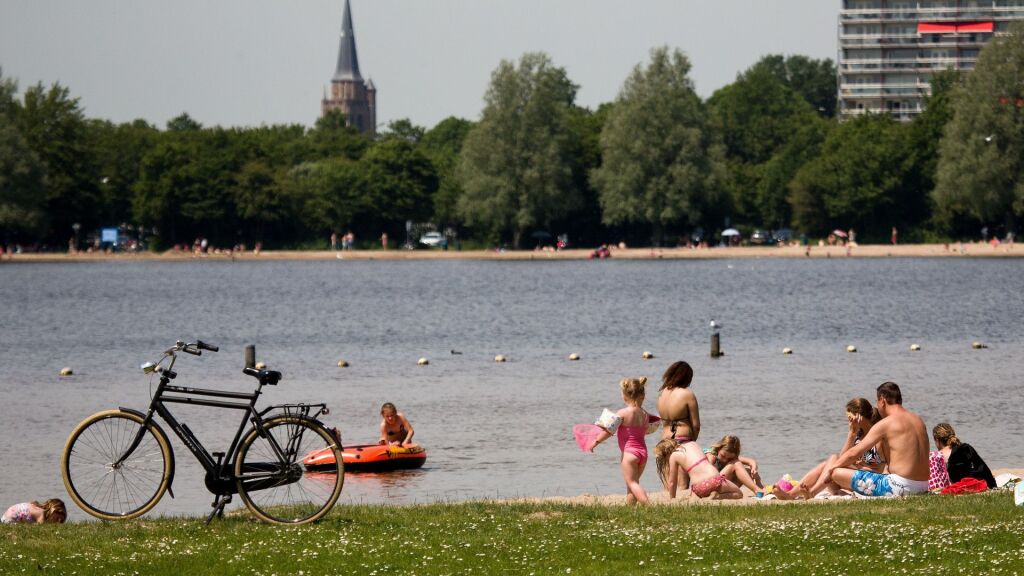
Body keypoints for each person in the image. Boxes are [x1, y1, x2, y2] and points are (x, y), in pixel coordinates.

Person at [825, 382, 929, 497]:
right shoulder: (918, 420)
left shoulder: (886, 423)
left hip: (899, 487)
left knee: (837, 473)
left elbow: (853, 453)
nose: (877, 406)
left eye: (877, 401)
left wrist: (831, 469)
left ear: (882, 400)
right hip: (923, 486)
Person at [775, 398, 884, 500]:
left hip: (867, 482)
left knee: (833, 459)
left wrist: (860, 465)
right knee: (831, 460)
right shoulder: (858, 434)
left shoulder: (877, 435)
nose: (849, 421)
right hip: (849, 477)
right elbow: (843, 458)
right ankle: (792, 494)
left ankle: (810, 493)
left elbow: (880, 468)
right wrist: (851, 434)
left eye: (850, 417)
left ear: (858, 416)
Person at [588, 377, 653, 505]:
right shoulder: (645, 414)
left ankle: (649, 506)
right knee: (632, 485)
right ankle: (630, 510)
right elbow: (648, 429)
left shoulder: (622, 413)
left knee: (632, 483)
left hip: (629, 453)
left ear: (624, 396)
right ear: (642, 395)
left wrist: (596, 441)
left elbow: (609, 431)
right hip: (643, 453)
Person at [655, 438, 743, 500]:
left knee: (701, 489)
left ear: (666, 454)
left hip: (698, 488)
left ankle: (706, 495)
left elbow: (672, 482)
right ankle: (718, 496)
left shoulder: (673, 456)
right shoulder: (693, 443)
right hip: (715, 481)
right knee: (739, 493)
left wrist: (672, 499)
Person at [933, 422, 996, 489]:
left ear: (937, 439)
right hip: (980, 483)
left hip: (958, 486)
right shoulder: (966, 448)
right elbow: (983, 468)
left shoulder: (938, 455)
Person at [2, 499, 66, 524]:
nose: (57, 523)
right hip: (10, 520)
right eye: (57, 519)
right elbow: (42, 530)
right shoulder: (41, 514)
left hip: (5, 517)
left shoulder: (37, 508)